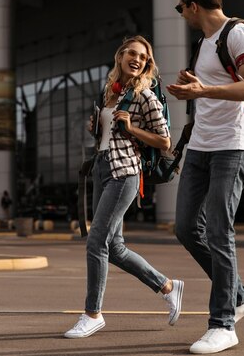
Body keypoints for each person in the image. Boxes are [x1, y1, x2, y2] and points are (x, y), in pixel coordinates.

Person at [167, 0, 244, 354]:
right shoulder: (205, 42)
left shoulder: (236, 33)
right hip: (201, 147)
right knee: (187, 227)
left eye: (180, 7)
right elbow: (212, 87)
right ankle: (239, 295)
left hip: (231, 146)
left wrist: (203, 88)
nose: (180, 14)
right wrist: (195, 82)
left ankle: (223, 323)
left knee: (219, 229)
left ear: (193, 5)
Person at [64, 36, 184, 339]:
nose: (137, 59)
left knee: (95, 242)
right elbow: (107, 135)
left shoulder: (145, 96)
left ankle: (93, 313)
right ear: (120, 56)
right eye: (132, 53)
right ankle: (168, 286)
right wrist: (97, 127)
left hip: (125, 173)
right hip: (102, 170)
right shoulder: (110, 93)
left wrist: (132, 128)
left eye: (143, 57)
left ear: (146, 65)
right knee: (113, 248)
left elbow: (165, 141)